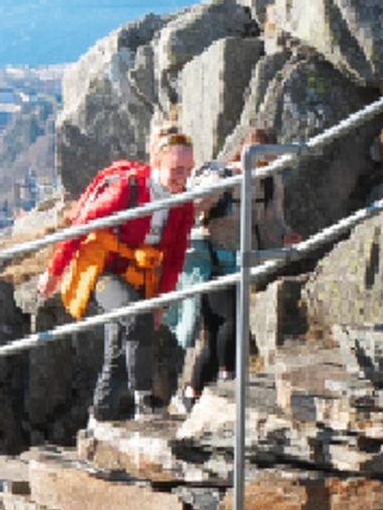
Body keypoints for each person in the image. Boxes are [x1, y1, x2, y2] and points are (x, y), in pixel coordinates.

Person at [42, 125, 199, 427]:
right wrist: (54, 271)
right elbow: (82, 224)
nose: (184, 178)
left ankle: (99, 417)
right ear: (157, 162)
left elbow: (175, 257)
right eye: (177, 169)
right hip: (105, 269)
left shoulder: (183, 203)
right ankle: (144, 402)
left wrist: (161, 302)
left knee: (117, 349)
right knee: (138, 318)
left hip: (139, 275)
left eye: (188, 170)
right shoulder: (128, 189)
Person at [167, 131, 285, 415]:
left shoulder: (270, 183)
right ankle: (227, 377)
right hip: (209, 263)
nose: (262, 166)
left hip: (240, 263)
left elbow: (273, 220)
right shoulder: (221, 179)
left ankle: (191, 393)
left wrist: (285, 236)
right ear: (243, 152)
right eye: (258, 158)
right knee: (234, 319)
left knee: (216, 334)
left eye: (268, 160)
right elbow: (187, 209)